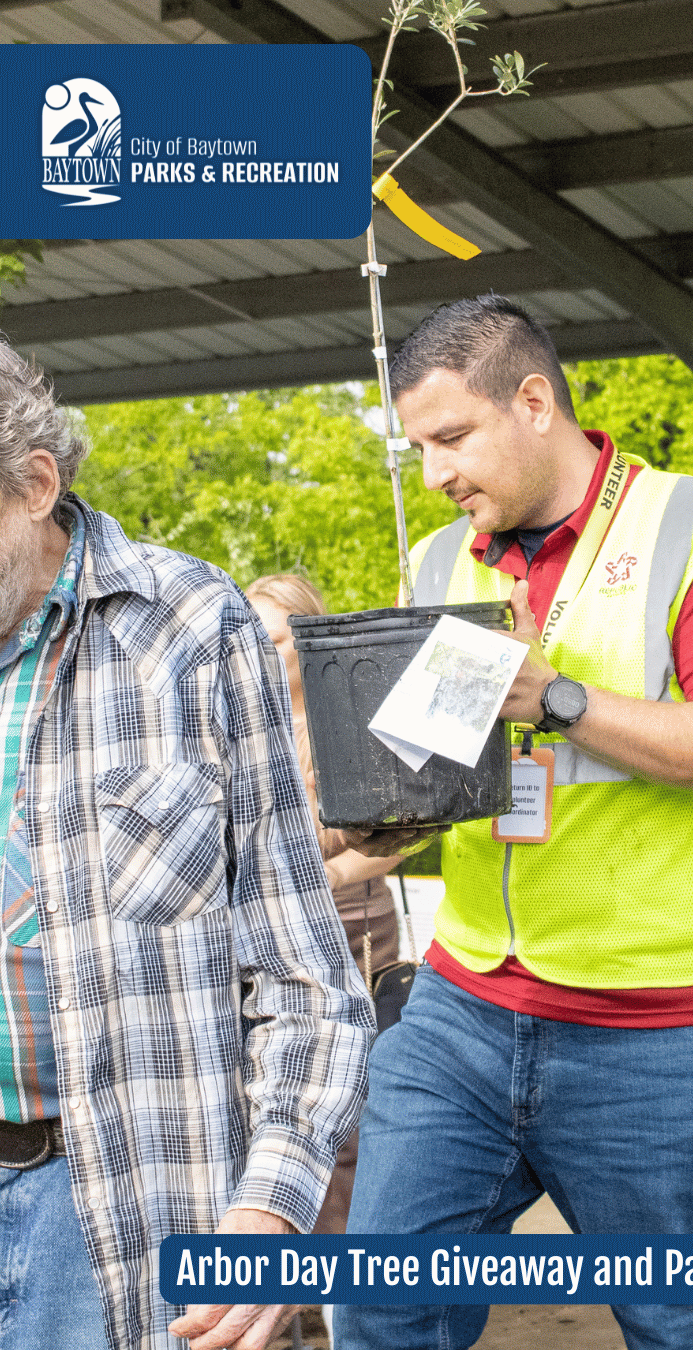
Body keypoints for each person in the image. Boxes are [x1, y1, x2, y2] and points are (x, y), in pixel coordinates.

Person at [335, 294, 693, 1350]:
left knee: (681, 1329)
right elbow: (435, 773)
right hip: (464, 1010)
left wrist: (554, 697)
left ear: (535, 402)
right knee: (381, 1304)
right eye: (419, 448)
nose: (436, 473)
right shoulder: (439, 563)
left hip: (667, 1033)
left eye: (453, 438)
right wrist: (369, 827)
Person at [0, 339, 374, 1350]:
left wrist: (271, 1206)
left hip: (119, 1204)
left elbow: (306, 977)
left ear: (35, 486)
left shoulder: (193, 629)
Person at [246, 572, 403, 1243]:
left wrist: (330, 872)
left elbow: (402, 832)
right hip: (262, 948)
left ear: (309, 642)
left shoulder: (352, 724)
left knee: (343, 1124)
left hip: (350, 938)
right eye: (250, 637)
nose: (259, 653)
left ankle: (344, 1275)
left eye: (275, 639)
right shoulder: (239, 728)